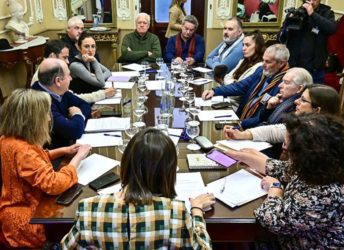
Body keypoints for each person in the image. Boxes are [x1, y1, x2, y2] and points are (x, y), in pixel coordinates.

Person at [61, 128, 215, 249]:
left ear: (126, 165)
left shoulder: (89, 208)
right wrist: (197, 210)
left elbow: (66, 247)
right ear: (168, 172)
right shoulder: (177, 211)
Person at [228, 114, 344, 248]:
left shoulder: (324, 193)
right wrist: (240, 156)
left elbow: (272, 220)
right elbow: (281, 168)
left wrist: (275, 189)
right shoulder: (321, 167)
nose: (284, 148)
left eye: (287, 146)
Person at [0, 89, 91, 248]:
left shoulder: (8, 139)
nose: (49, 118)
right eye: (46, 114)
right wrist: (78, 158)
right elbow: (54, 183)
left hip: (13, 209)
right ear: (31, 120)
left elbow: (34, 160)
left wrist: (63, 151)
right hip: (28, 223)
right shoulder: (24, 151)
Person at [202, 44, 290, 129]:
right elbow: (240, 86)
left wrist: (240, 124)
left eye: (268, 62)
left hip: (253, 127)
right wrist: (215, 91)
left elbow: (266, 118)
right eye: (263, 60)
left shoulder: (285, 84)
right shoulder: (261, 71)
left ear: (281, 63)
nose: (263, 64)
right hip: (241, 118)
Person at [224, 84, 340, 144]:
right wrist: (243, 134)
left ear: (317, 110)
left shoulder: (322, 139)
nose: (296, 101)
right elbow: (275, 131)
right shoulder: (304, 124)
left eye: (303, 100)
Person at [32, 58, 91, 149]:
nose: (71, 78)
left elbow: (85, 105)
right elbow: (75, 131)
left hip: (65, 146)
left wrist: (73, 121)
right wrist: (77, 114)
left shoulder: (59, 90)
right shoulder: (40, 102)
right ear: (58, 81)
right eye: (68, 75)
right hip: (52, 155)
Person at [31, 39, 116, 103]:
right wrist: (103, 94)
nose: (68, 61)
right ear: (52, 56)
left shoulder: (52, 70)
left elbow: (70, 96)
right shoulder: (43, 76)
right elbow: (73, 98)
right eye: (65, 57)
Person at [278, 0, 337, 83]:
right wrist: (288, 24)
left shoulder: (326, 13)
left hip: (315, 69)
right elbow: (281, 38)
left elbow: (332, 29)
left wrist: (312, 14)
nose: (312, 1)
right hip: (294, 66)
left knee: (313, 95)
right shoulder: (295, 13)